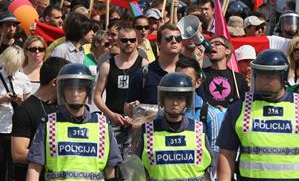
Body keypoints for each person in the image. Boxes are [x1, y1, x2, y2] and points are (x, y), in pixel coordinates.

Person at [216, 49, 299, 181]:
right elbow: (226, 154)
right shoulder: (238, 108)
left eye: (269, 76)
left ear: (283, 77)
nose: (264, 81)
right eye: (260, 75)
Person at [25, 63, 122, 181]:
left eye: (80, 89)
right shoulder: (48, 123)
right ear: (62, 91)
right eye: (70, 89)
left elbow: (111, 170)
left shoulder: (102, 125)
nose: (75, 94)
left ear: (88, 91)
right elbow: (34, 168)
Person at [132, 72, 212, 180]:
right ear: (162, 100)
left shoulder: (199, 130)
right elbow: (136, 169)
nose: (175, 103)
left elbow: (212, 168)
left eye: (180, 98)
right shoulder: (147, 131)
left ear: (187, 101)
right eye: (170, 97)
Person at [94, 25, 148, 160]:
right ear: (118, 42)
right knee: (112, 161)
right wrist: (110, 114)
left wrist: (138, 116)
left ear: (137, 41)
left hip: (135, 123)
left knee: (132, 164)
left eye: (132, 40)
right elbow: (97, 96)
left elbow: (148, 96)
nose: (128, 43)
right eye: (124, 40)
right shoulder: (107, 65)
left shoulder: (144, 64)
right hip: (113, 120)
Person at [11, 57, 69, 180]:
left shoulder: (65, 108)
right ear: (55, 83)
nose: (72, 89)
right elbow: (18, 153)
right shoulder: (26, 110)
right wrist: (61, 156)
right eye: (68, 83)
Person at [0, 45, 32, 181]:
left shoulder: (23, 79)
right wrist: (3, 99)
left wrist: (20, 101)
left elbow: (29, 108)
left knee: (13, 169)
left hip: (16, 130)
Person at [125, 24, 184, 115]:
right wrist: (132, 108)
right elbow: (127, 108)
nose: (174, 41)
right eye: (169, 38)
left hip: (182, 128)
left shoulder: (188, 71)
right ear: (158, 44)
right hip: (151, 128)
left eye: (178, 39)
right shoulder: (144, 73)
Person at [176, 57, 223, 160]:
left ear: (198, 82)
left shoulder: (211, 115)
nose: (181, 83)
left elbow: (215, 157)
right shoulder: (163, 112)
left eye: (187, 79)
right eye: (178, 78)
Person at [200, 35, 248, 109]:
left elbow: (245, 104)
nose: (212, 46)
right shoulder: (201, 74)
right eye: (210, 44)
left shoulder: (237, 78)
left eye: (217, 43)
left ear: (227, 51)